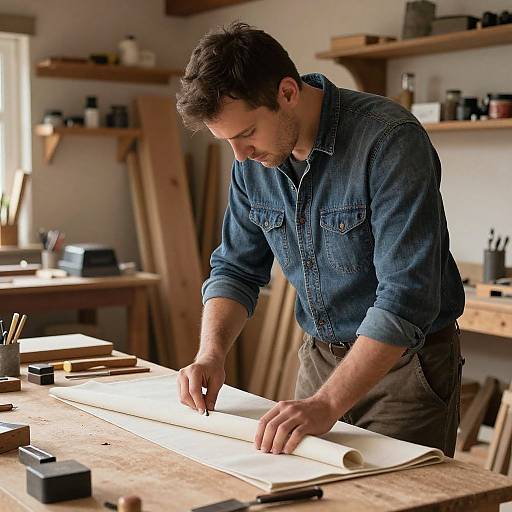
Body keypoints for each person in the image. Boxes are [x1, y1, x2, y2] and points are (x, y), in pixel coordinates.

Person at [175, 22, 465, 457]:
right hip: (320, 359)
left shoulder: (390, 141)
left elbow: (406, 297)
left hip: (405, 370)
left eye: (247, 133)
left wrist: (327, 404)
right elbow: (235, 269)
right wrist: (211, 353)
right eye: (228, 142)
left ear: (288, 93)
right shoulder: (252, 164)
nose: (240, 156)